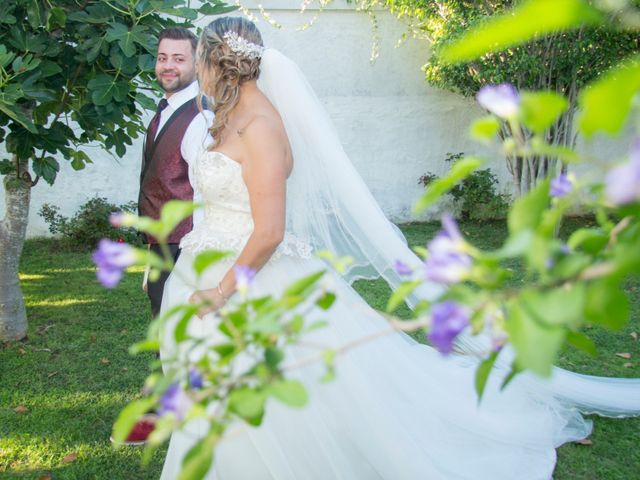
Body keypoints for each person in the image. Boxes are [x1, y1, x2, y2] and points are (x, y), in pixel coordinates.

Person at [158, 17, 640, 479]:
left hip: (246, 278)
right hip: (214, 261)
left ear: (217, 61)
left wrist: (220, 293)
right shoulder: (230, 119)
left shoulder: (258, 126)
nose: (194, 68)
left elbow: (268, 232)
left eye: (198, 57)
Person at [126, 27, 213, 446]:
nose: (168, 66)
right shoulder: (165, 111)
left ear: (197, 63)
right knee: (166, 327)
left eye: (179, 58)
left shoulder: (200, 117)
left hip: (187, 245)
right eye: (163, 57)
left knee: (181, 332)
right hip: (163, 244)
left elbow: (210, 189)